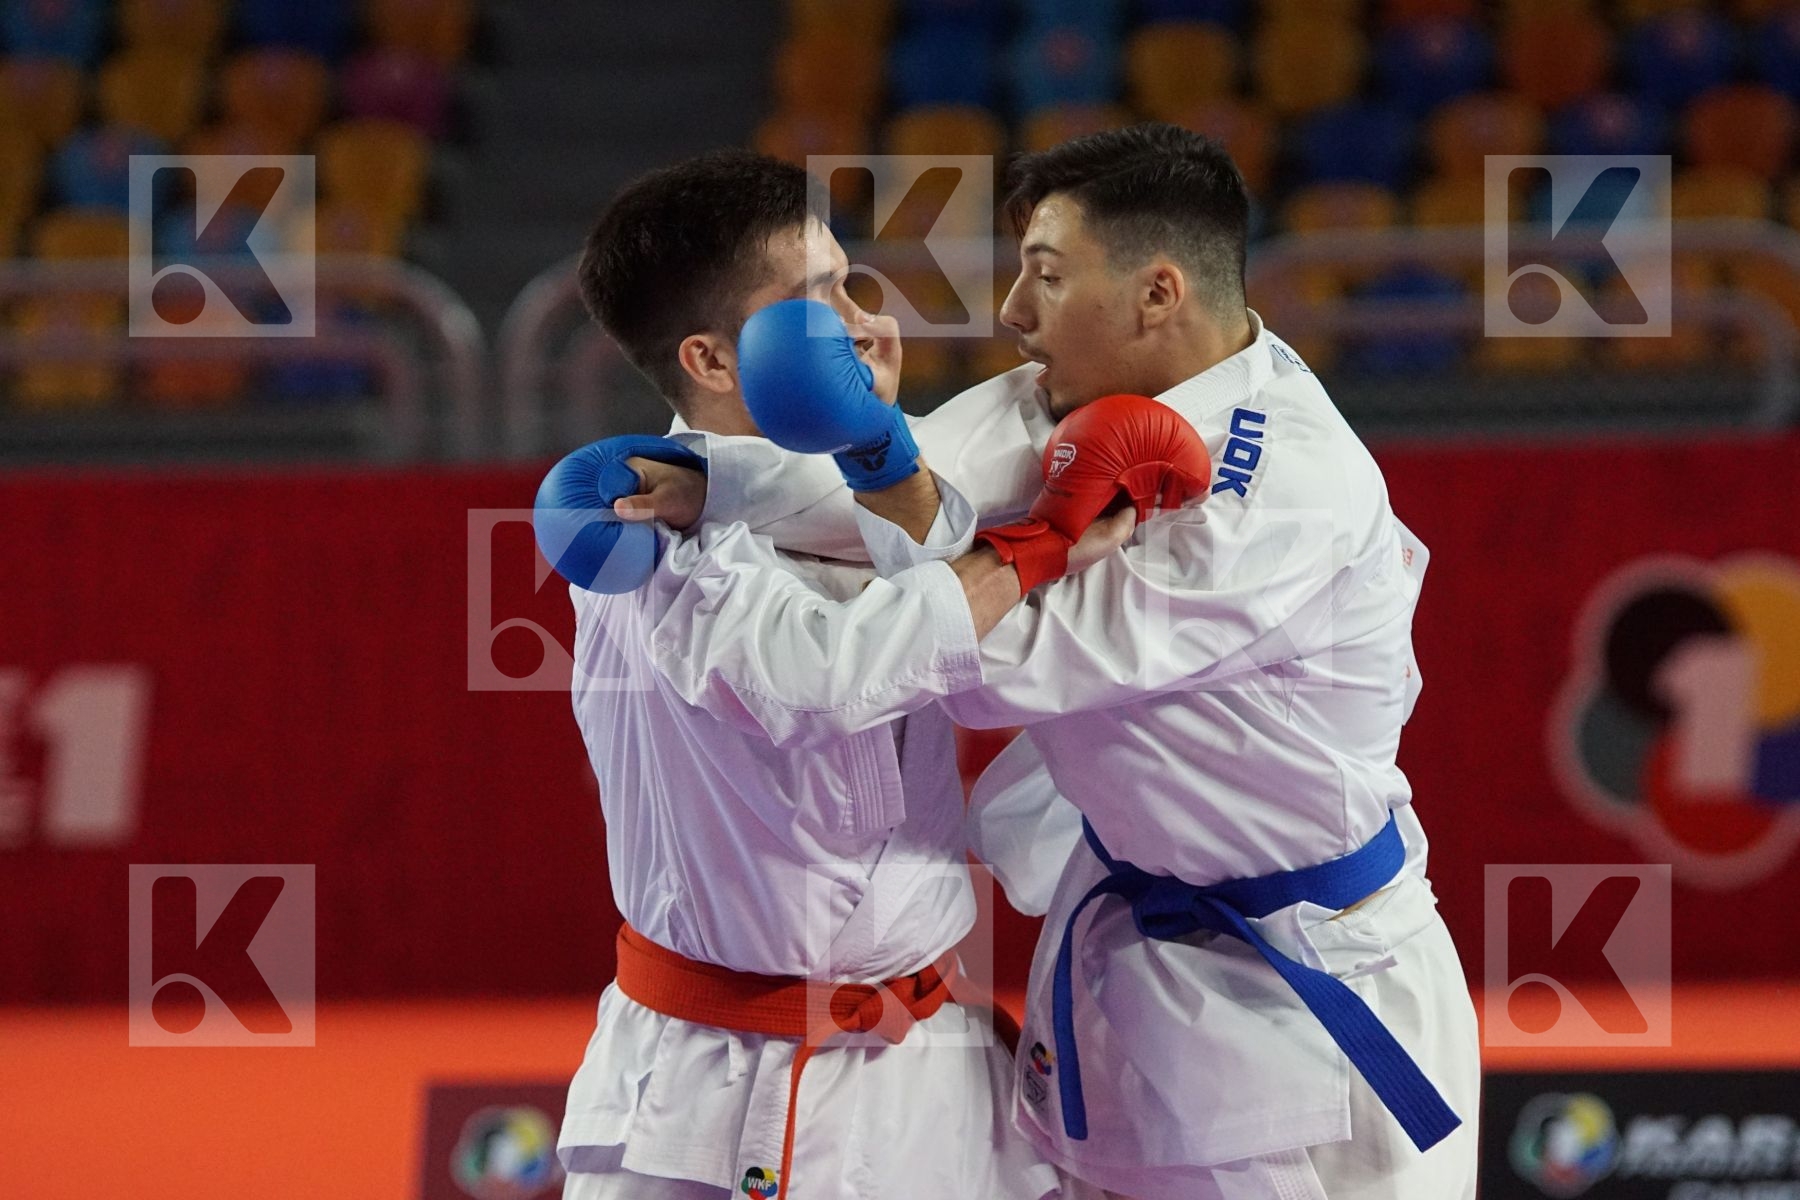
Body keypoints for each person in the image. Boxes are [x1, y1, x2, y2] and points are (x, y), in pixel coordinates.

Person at [587, 124, 1481, 1200]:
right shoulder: (1049, 402)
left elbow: (986, 664)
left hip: (1304, 979)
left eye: (1046, 278)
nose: (1010, 313)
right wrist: (698, 475)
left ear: (1157, 294)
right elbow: (877, 489)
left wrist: (1021, 542)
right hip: (1125, 958)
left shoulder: (1286, 492)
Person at [540, 147, 1193, 1200]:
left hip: (927, 1070)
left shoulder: (865, 483)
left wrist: (882, 451)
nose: (863, 321)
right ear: (713, 362)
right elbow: (826, 677)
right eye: (817, 301)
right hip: (720, 1096)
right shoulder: (647, 529)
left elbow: (946, 519)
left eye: (851, 283)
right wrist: (1033, 552)